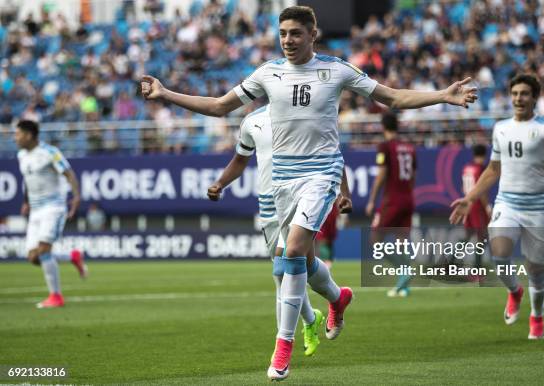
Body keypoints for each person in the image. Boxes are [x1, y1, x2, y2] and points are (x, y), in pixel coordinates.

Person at [141, 6, 477, 380]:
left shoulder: (336, 70)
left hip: (321, 175)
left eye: (296, 33)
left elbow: (393, 98)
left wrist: (441, 96)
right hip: (283, 181)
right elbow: (220, 107)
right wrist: (165, 93)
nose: (287, 40)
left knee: (294, 250)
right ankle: (337, 297)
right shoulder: (268, 73)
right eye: (283, 33)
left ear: (313, 34)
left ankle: (283, 347)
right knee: (302, 261)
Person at [450, 74, 544, 340]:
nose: (519, 98)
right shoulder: (501, 128)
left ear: (534, 97)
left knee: (536, 268)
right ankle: (515, 291)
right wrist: (469, 198)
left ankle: (537, 316)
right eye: (515, 93)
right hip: (507, 202)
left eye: (524, 94)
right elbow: (493, 170)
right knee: (500, 254)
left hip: (538, 206)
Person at [207, 104, 325, 357]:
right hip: (268, 203)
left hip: (297, 196)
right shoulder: (252, 121)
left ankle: (282, 345)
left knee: (282, 266)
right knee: (281, 275)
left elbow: (328, 151)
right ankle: (311, 318)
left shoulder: (302, 114)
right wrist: (220, 183)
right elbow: (240, 160)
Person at [14, 120, 88, 309]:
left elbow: (68, 173)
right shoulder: (22, 155)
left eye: (18, 134)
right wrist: (26, 201)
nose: (15, 138)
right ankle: (72, 256)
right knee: (33, 257)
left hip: (53, 208)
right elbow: (28, 180)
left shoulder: (50, 152)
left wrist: (77, 196)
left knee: (44, 250)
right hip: (36, 210)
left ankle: (56, 296)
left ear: (29, 135)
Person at [366, 112, 417, 297]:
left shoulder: (385, 146)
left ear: (383, 127)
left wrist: (372, 200)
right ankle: (404, 286)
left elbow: (381, 174)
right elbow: (413, 176)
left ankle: (404, 271)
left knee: (375, 240)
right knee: (401, 242)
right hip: (408, 198)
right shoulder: (409, 147)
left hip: (393, 199)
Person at [461, 143, 491, 279]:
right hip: (477, 206)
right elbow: (482, 191)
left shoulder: (467, 167)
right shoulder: (481, 169)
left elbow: (463, 188)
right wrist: (487, 207)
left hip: (468, 204)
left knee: (468, 236)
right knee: (481, 237)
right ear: (484, 155)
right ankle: (476, 271)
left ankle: (449, 264)